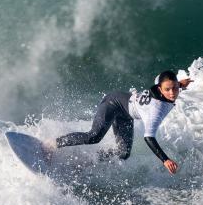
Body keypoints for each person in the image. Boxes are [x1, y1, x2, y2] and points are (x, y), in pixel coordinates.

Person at [46, 71, 192, 174]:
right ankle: (52, 144)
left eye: (175, 88)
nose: (172, 93)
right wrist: (165, 160)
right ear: (160, 89)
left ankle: (86, 161)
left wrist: (179, 84)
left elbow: (161, 80)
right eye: (168, 89)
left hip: (126, 114)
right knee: (94, 137)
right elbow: (149, 138)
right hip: (113, 103)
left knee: (123, 153)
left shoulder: (164, 85)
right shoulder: (157, 110)